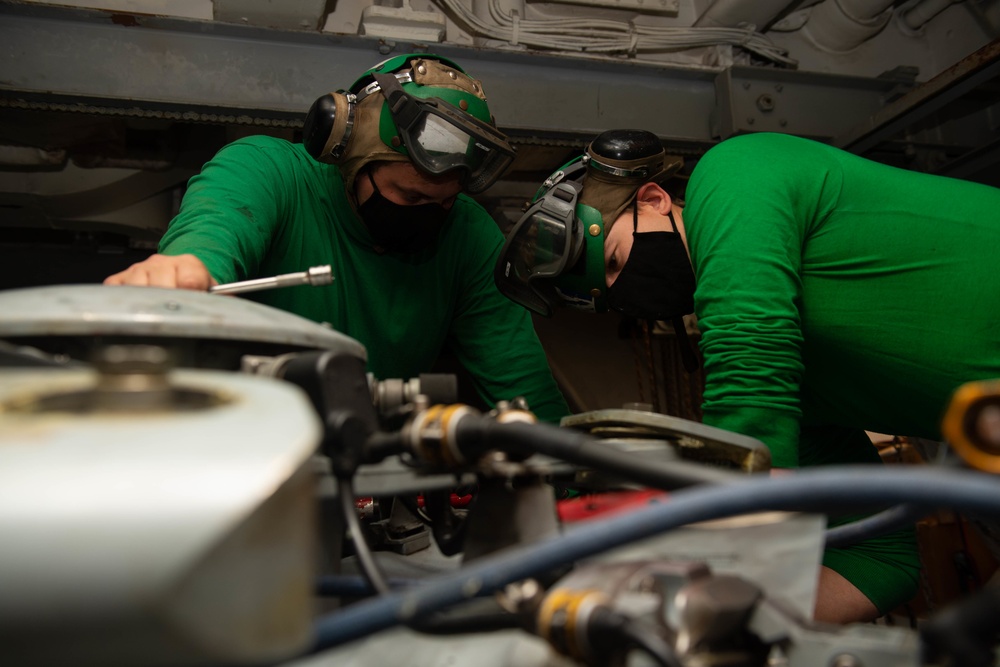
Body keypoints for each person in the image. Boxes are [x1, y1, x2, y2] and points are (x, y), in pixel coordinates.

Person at [494, 128, 1000, 623]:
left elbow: (750, 345)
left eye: (615, 260)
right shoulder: (794, 390)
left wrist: (730, 522)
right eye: (612, 295)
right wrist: (710, 622)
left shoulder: (735, 171)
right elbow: (879, 557)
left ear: (653, 200)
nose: (625, 287)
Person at [104, 53, 569, 423]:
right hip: (232, 448)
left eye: (445, 202)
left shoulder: (468, 234)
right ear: (349, 156)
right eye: (410, 196)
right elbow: (212, 233)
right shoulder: (268, 171)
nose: (430, 214)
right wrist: (184, 269)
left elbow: (524, 387)